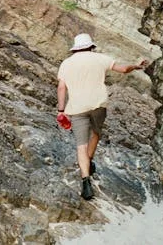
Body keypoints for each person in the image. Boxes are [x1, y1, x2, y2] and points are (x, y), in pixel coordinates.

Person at [56, 33, 148, 200]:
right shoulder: (99, 58)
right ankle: (89, 162)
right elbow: (123, 69)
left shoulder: (66, 63)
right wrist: (136, 65)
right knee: (96, 134)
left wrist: (61, 110)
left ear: (75, 48)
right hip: (98, 105)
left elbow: (61, 87)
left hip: (76, 108)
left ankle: (85, 182)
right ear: (91, 46)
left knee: (80, 146)